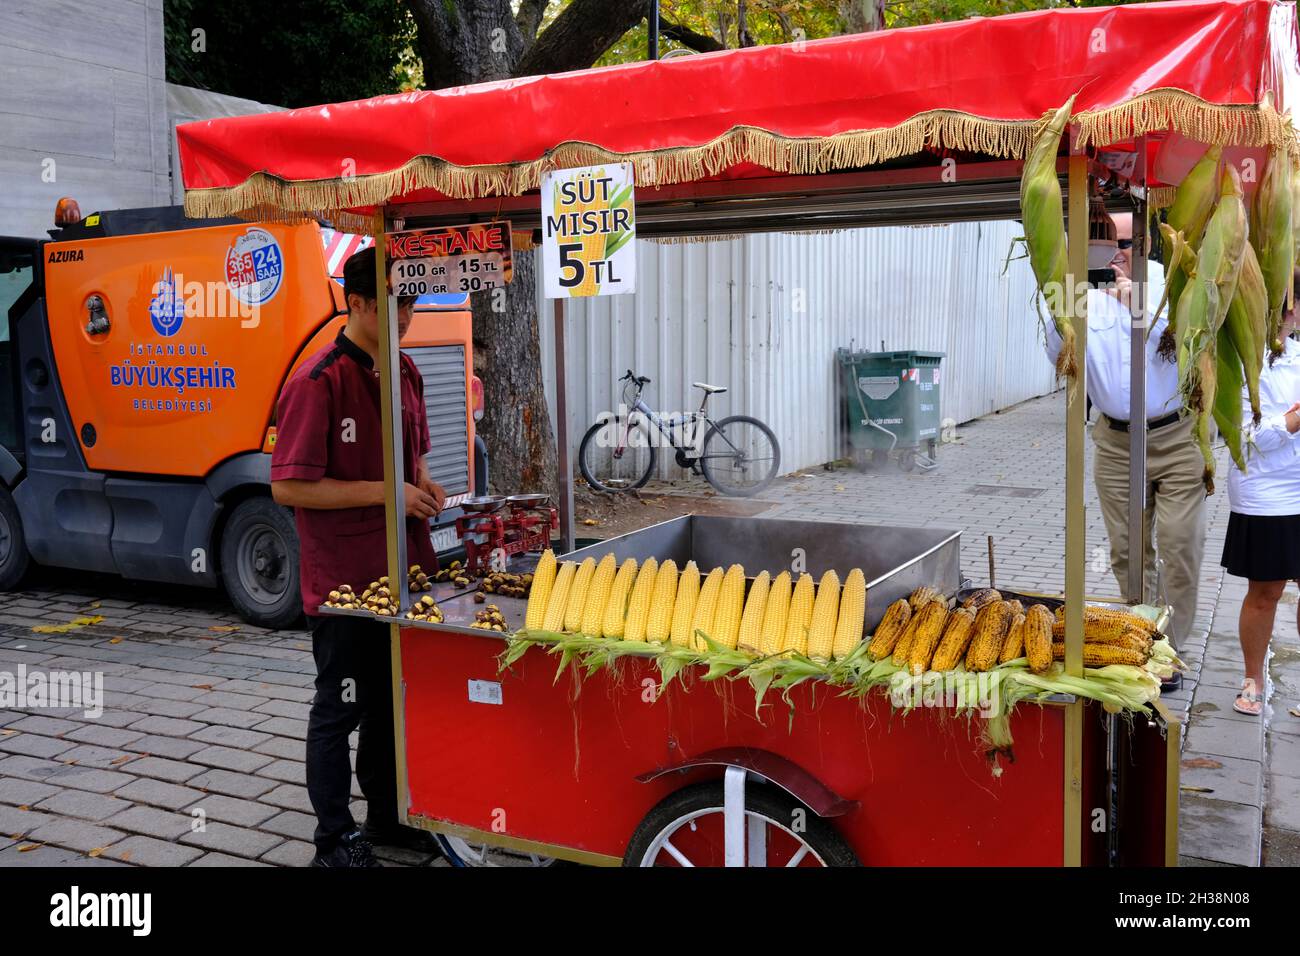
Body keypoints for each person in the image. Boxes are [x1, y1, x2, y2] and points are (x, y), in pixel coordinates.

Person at [271, 245, 446, 867]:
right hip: (343, 580)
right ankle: (334, 840)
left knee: (389, 702)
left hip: (402, 569)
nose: (408, 316)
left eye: (414, 303)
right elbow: (287, 486)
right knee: (339, 706)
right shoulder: (317, 382)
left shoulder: (407, 371)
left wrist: (423, 485)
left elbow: (415, 454)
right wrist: (385, 492)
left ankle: (387, 816)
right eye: (398, 303)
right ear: (360, 302)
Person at [1045, 212, 1205, 683]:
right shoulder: (1077, 294)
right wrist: (1058, 299)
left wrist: (1141, 309)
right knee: (1127, 550)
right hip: (1115, 439)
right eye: (1100, 243)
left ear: (1143, 242)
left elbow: (1191, 345)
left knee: (1180, 544)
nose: (1112, 252)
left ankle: (1171, 647)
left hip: (1176, 435)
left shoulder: (1171, 283)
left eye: (1121, 242)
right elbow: (1060, 360)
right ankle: (1140, 639)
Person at [1221, 279, 1300, 716]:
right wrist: (1294, 419)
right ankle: (1254, 677)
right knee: (1266, 591)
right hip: (1266, 490)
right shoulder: (1239, 356)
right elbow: (1244, 437)